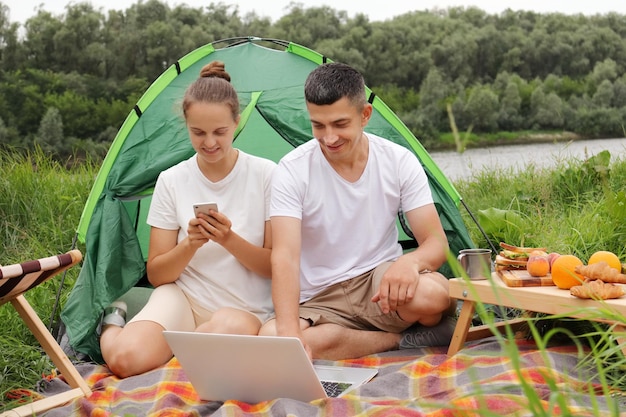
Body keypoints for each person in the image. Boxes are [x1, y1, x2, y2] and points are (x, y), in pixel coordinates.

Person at [259, 62, 455, 360]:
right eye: (318, 125)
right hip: (320, 299)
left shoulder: (398, 161)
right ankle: (395, 340)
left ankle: (357, 340)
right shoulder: (292, 170)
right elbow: (285, 256)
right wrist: (289, 333)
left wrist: (410, 262)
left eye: (340, 124)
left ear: (365, 115)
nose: (329, 138)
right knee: (273, 337)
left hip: (379, 283)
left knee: (434, 295)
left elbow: (436, 243)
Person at [100, 61, 276, 377]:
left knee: (210, 347)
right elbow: (157, 274)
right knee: (125, 360)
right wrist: (191, 245)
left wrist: (228, 240)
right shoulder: (172, 180)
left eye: (220, 132)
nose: (209, 143)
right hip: (184, 297)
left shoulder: (266, 175)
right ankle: (113, 323)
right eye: (198, 132)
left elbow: (275, 266)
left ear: (237, 121)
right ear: (186, 125)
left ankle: (173, 351)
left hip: (244, 308)